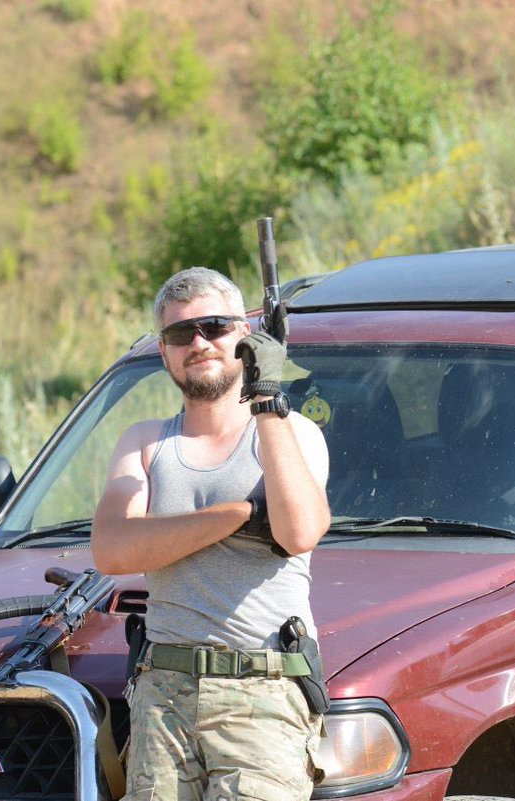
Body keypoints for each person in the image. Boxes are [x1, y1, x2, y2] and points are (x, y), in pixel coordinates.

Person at [92, 267, 331, 801]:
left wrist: (268, 398)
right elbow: (113, 549)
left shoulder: (293, 433)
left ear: (244, 336)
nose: (199, 343)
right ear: (164, 351)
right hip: (163, 693)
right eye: (181, 334)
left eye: (215, 327)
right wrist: (241, 514)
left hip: (265, 688)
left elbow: (300, 531)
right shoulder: (146, 442)